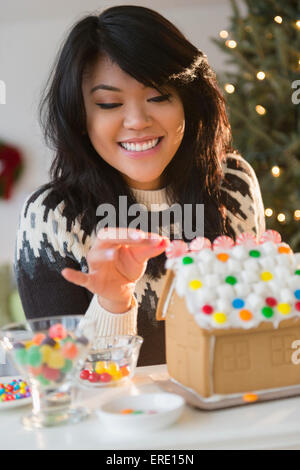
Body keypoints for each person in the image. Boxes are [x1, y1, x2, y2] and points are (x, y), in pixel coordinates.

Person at [14, 5, 266, 366]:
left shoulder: (233, 185)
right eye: (109, 103)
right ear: (80, 117)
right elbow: (60, 380)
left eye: (159, 96)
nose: (137, 121)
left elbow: (254, 337)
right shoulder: (51, 218)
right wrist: (113, 303)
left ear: (187, 102)